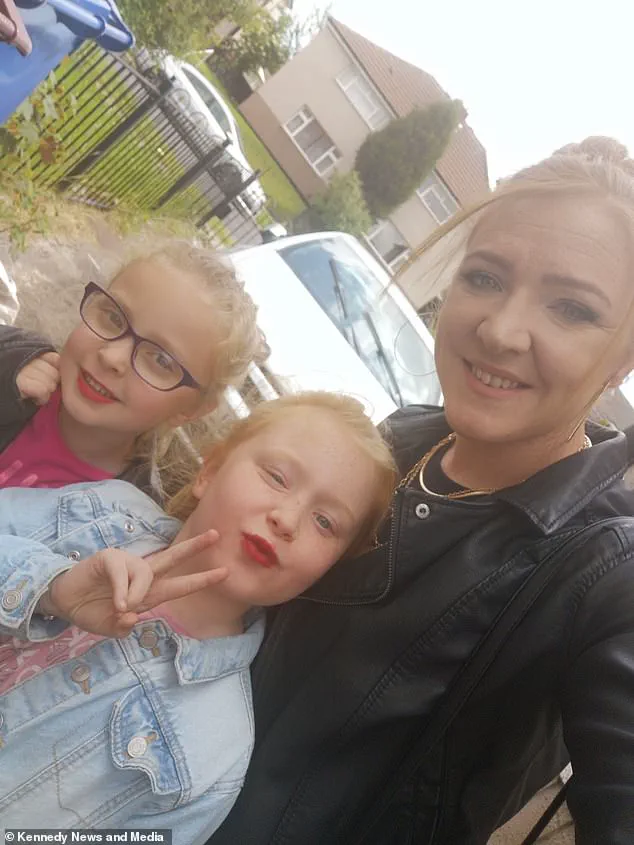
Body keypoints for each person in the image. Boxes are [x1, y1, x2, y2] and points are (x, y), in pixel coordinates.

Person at [208, 137, 634, 845]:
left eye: (571, 309)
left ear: (624, 357)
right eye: (485, 277)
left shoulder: (602, 576)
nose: (500, 330)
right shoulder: (395, 442)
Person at [0, 391, 397, 842]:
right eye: (277, 477)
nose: (287, 520)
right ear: (210, 470)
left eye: (325, 522)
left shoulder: (216, 755)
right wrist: (50, 588)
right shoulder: (99, 510)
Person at [0, 242, 261, 499]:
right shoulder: (10, 354)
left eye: (161, 360)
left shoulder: (128, 518)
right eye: (114, 317)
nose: (112, 357)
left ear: (192, 410)